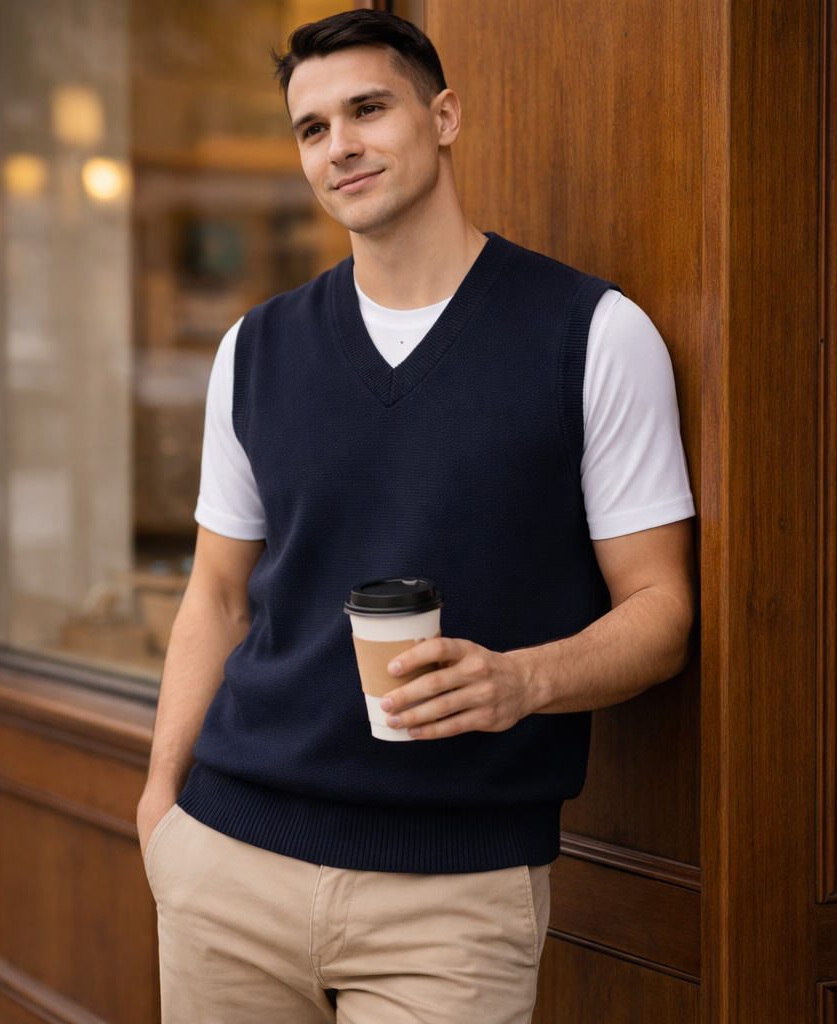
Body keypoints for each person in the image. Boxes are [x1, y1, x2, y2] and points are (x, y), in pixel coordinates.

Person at [137, 10, 696, 1023]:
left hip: (455, 899)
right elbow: (215, 596)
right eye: (312, 128)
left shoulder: (593, 335)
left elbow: (661, 610)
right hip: (227, 862)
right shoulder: (255, 349)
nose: (339, 145)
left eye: (367, 109)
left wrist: (524, 680)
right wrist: (159, 807)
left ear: (443, 117)